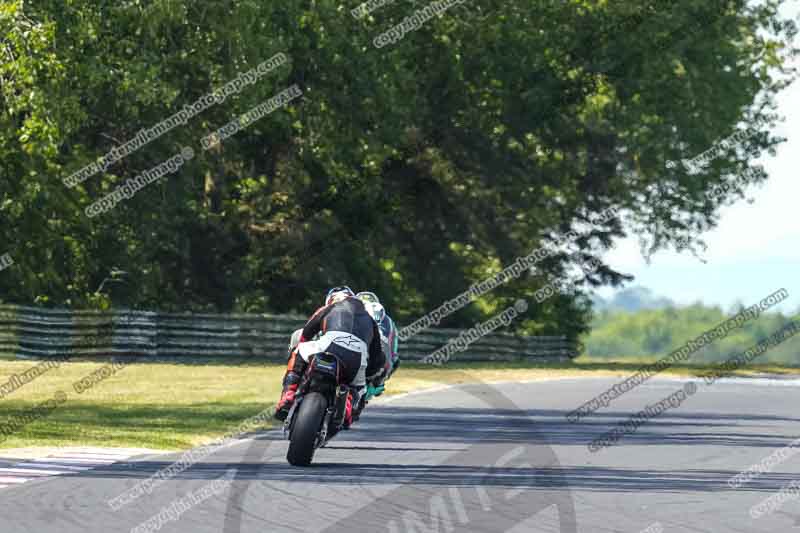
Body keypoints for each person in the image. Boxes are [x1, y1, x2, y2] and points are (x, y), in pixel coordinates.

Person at [274, 286, 386, 427]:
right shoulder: (370, 320)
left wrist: (299, 347)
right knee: (358, 387)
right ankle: (348, 407)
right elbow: (377, 357)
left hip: (329, 346)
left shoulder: (328, 308)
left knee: (300, 349)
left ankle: (288, 395)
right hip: (356, 359)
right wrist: (369, 375)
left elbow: (306, 333)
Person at [356, 291, 400, 400]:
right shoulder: (388, 320)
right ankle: (378, 384)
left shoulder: (353, 312)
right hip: (381, 360)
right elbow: (393, 351)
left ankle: (376, 384)